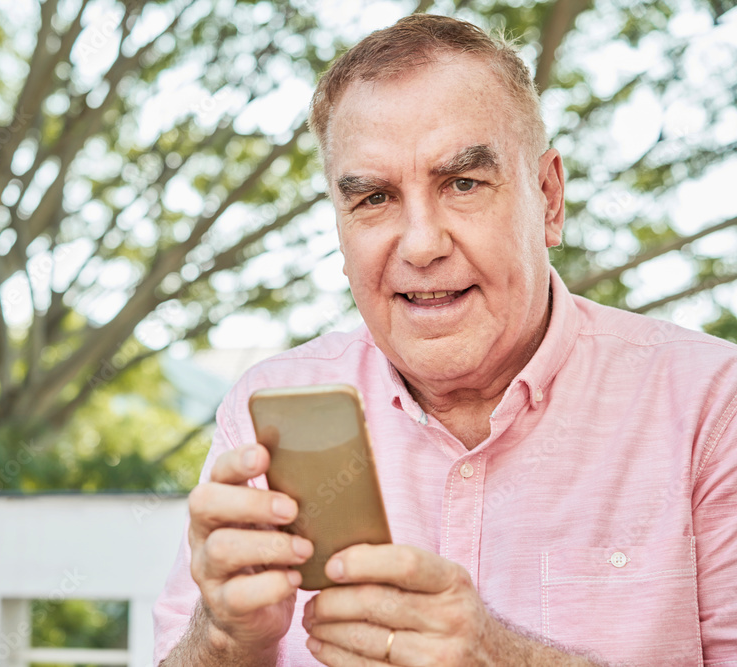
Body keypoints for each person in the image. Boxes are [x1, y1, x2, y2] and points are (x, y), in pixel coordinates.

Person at [153, 14, 737, 666]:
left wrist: (501, 657)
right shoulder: (266, 407)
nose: (423, 244)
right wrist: (228, 637)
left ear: (548, 198)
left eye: (462, 183)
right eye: (374, 198)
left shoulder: (712, 407)